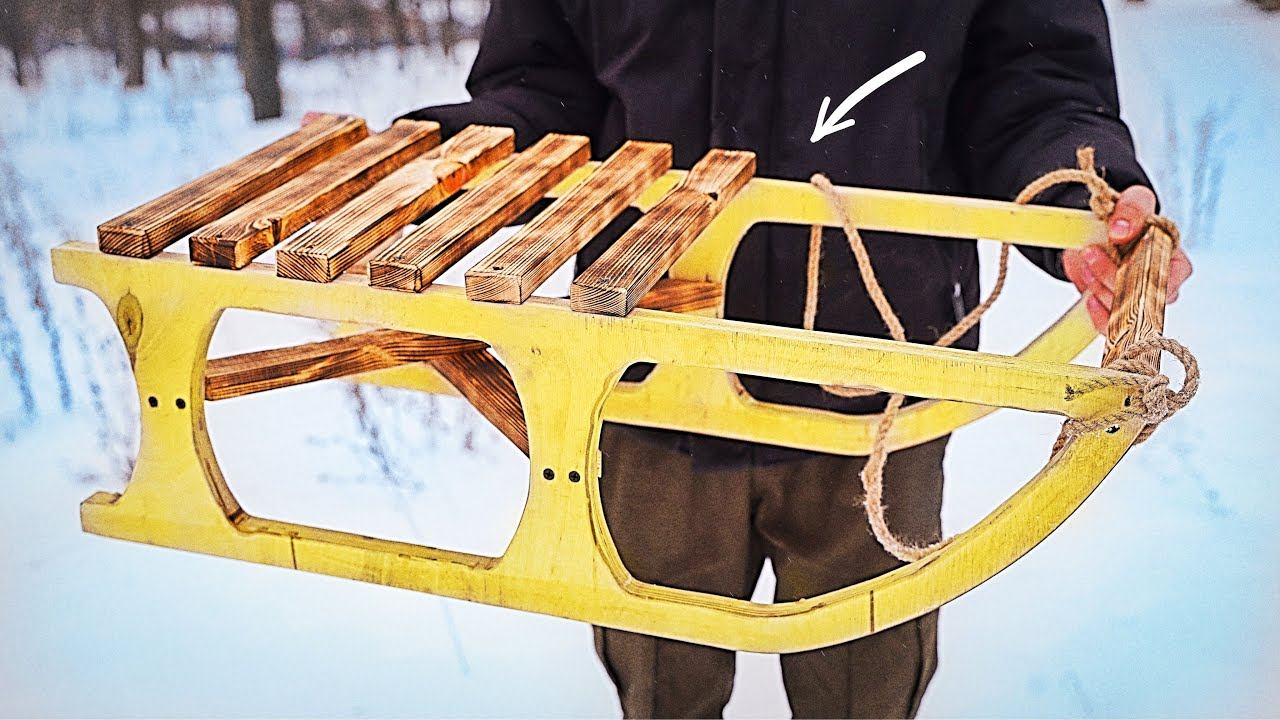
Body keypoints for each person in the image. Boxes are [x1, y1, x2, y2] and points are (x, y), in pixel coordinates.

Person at [377, 2, 1193, 717]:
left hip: (878, 389)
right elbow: (543, 86)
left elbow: (1032, 84)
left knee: (865, 689)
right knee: (659, 688)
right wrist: (433, 161)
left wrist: (1081, 195)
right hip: (650, 380)